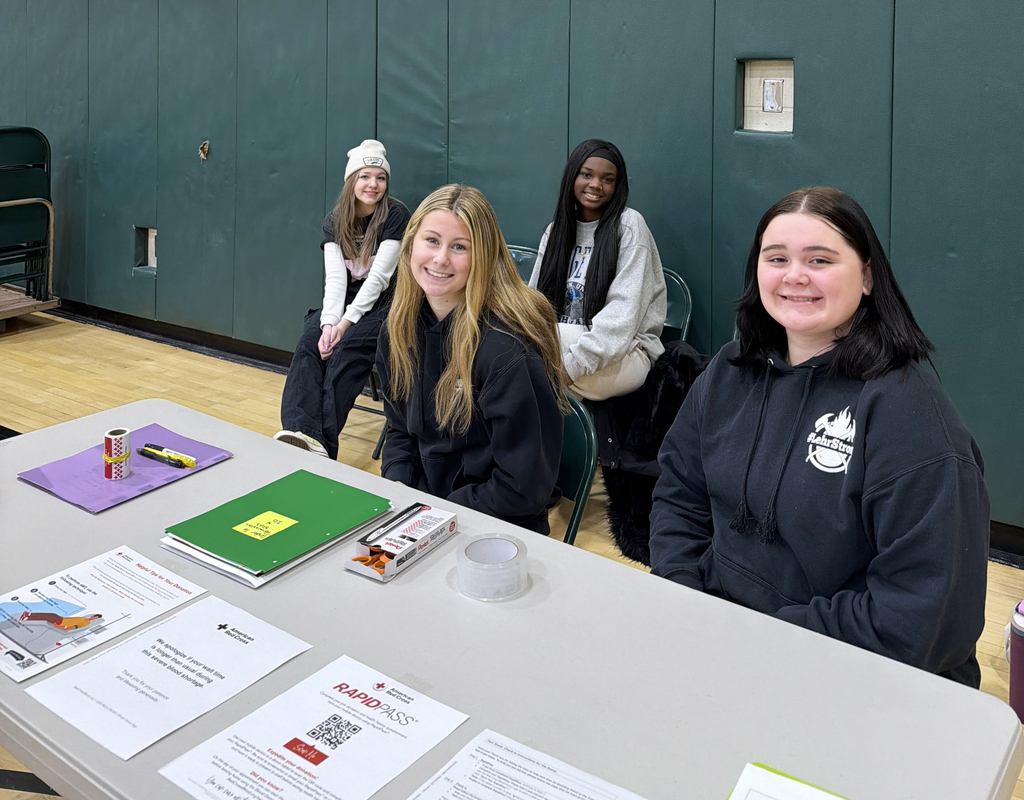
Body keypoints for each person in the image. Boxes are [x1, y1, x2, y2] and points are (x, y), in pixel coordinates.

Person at [649, 187, 989, 687]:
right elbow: (679, 495)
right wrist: (685, 599)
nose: (795, 276)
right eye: (777, 258)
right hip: (723, 646)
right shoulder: (728, 370)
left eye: (820, 259)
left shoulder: (910, 418)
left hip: (850, 677)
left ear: (868, 276)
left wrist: (759, 643)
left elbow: (922, 618)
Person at [376, 184, 567, 534]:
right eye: (431, 240)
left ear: (484, 257)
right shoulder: (399, 327)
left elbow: (524, 489)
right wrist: (399, 487)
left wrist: (436, 514)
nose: (440, 259)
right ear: (410, 245)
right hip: (425, 514)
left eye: (459, 247)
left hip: (495, 526)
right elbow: (399, 427)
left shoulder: (508, 350)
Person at [276, 139, 411, 459]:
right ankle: (298, 432)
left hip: (388, 303)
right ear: (352, 180)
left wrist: (345, 325)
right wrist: (328, 324)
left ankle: (321, 446)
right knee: (311, 338)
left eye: (380, 178)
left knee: (347, 347)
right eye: (365, 176)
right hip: (348, 300)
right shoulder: (335, 221)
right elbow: (336, 280)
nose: (373, 184)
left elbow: (379, 279)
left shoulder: (396, 215)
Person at [529, 139, 666, 401]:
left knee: (537, 349)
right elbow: (533, 303)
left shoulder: (628, 226)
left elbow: (622, 316)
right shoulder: (555, 231)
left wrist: (569, 367)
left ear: (617, 186)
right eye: (587, 174)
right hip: (566, 351)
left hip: (626, 353)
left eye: (607, 179)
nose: (595, 185)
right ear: (572, 177)